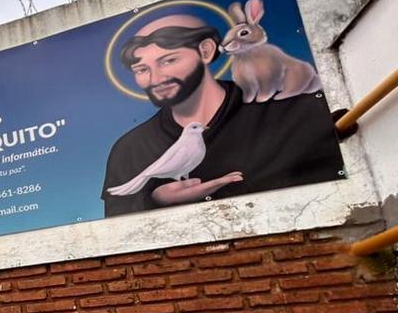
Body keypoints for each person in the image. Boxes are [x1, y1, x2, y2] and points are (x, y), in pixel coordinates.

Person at [101, 13, 343, 217]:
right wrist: (156, 200)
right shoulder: (129, 149)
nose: (155, 79)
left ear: (205, 51)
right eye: (142, 69)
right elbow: (117, 225)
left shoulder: (286, 109)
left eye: (169, 60)